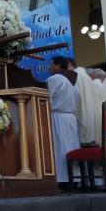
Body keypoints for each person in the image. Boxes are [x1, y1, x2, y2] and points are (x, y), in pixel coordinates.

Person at [47, 56, 80, 185]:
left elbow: (47, 98)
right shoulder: (72, 82)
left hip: (58, 117)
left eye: (51, 64)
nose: (49, 67)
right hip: (70, 118)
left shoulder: (54, 79)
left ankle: (61, 179)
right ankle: (73, 178)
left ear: (59, 65)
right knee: (69, 148)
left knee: (59, 149)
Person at [67, 59, 101, 146]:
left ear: (69, 65)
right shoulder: (86, 76)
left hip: (81, 117)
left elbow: (75, 98)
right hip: (90, 116)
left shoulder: (76, 75)